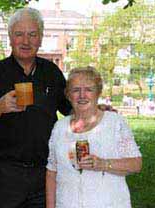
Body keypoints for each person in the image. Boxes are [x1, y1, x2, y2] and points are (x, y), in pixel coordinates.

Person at [0, 8, 71, 208]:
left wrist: (97, 111)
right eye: (19, 34)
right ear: (10, 38)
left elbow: (71, 111)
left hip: (45, 172)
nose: (26, 41)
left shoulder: (52, 72)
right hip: (6, 174)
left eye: (32, 34)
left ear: (41, 38)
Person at [46, 67, 142, 208]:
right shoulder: (59, 128)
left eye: (89, 90)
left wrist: (103, 164)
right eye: (76, 90)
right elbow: (52, 172)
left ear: (98, 93)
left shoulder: (115, 123)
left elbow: (136, 164)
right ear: (68, 95)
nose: (82, 95)